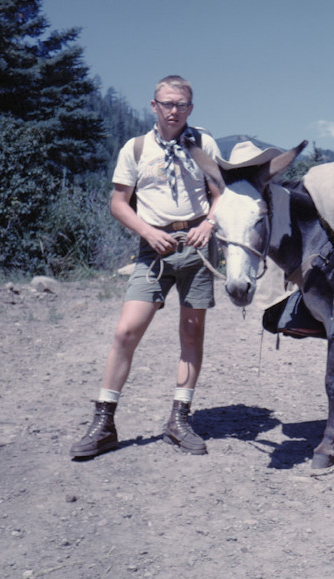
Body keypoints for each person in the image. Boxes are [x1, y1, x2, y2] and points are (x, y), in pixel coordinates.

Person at [70, 75, 222, 458]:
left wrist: (208, 224)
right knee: (126, 331)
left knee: (191, 332)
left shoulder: (204, 144)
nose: (174, 111)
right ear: (153, 106)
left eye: (182, 104)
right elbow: (119, 202)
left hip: (197, 248)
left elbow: (221, 194)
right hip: (153, 250)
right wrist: (148, 231)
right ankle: (104, 423)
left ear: (191, 107)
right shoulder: (135, 148)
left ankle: (179, 419)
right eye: (167, 103)